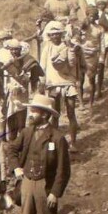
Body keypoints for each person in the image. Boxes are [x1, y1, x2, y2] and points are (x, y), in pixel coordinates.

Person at [6, 94, 71, 214]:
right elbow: (11, 149)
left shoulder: (57, 138)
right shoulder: (26, 132)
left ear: (44, 114)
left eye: (34, 111)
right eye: (31, 110)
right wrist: (16, 167)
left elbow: (63, 169)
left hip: (45, 186)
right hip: (27, 182)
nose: (30, 113)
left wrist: (55, 193)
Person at [39, 22, 80, 152]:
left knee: (71, 113)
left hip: (67, 83)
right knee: (54, 115)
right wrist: (42, 82)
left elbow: (73, 63)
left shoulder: (67, 47)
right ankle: (54, 144)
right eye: (53, 34)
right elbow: (42, 67)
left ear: (61, 34)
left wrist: (72, 49)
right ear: (49, 36)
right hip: (53, 84)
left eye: (57, 34)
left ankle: (73, 143)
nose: (55, 36)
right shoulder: (47, 48)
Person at [1, 39, 43, 140]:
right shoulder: (7, 61)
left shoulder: (27, 60)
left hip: (22, 94)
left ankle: (22, 144)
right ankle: (12, 143)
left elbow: (27, 79)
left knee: (21, 123)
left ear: (20, 49)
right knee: (11, 120)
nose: (14, 52)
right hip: (9, 94)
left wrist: (19, 71)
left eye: (16, 49)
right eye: (12, 49)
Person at [75, 10, 104, 111]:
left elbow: (102, 45)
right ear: (87, 15)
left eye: (93, 16)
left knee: (91, 80)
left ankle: (91, 103)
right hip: (82, 54)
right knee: (80, 79)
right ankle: (81, 103)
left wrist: (101, 58)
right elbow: (76, 38)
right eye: (89, 15)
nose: (91, 18)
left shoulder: (99, 29)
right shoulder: (83, 26)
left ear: (96, 16)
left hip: (93, 55)